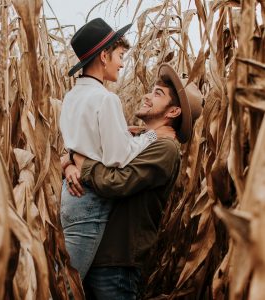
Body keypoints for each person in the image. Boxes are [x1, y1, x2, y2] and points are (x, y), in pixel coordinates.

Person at [63, 63, 203, 299]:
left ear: (173, 112)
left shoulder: (165, 149)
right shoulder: (137, 140)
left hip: (117, 263)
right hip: (94, 255)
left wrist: (77, 159)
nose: (147, 95)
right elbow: (78, 151)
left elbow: (114, 183)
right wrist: (69, 162)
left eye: (157, 94)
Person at [59, 18, 168, 280]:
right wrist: (151, 136)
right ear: (104, 56)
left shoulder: (71, 96)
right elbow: (118, 158)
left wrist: (69, 160)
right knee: (69, 285)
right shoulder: (106, 99)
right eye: (120, 56)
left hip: (69, 193)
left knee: (66, 275)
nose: (122, 63)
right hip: (90, 199)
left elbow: (77, 144)